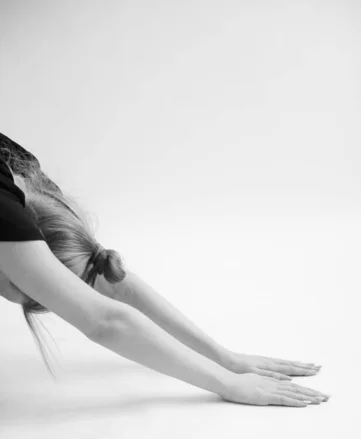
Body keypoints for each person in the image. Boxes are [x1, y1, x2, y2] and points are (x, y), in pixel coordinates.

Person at [0, 131, 329, 407]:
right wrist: (228, 382)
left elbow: (108, 282)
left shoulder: (16, 183)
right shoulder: (13, 186)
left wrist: (224, 359)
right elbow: (104, 321)